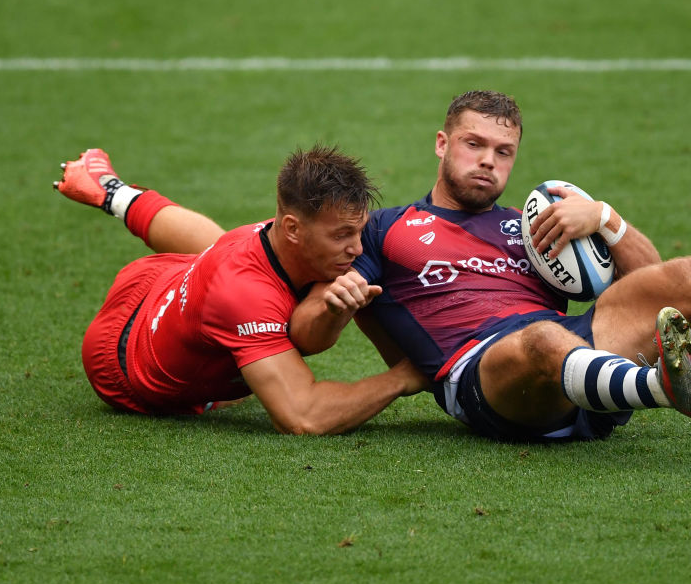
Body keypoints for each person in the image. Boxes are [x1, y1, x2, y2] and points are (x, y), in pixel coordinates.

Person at [291, 90, 691, 441]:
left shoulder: (535, 221)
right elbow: (309, 336)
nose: (488, 162)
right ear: (443, 144)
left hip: (585, 351)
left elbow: (652, 285)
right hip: (481, 374)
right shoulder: (384, 229)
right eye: (474, 145)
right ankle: (661, 385)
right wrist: (333, 306)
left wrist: (604, 217)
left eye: (504, 152)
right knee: (540, 339)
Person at [53, 146, 427, 435]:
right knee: (238, 310)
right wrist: (403, 376)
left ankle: (112, 192)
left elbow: (305, 335)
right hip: (120, 361)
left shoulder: (281, 236)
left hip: (161, 278)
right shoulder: (244, 296)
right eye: (342, 235)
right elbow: (302, 416)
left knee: (220, 247)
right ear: (294, 228)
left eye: (359, 231)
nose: (358, 248)